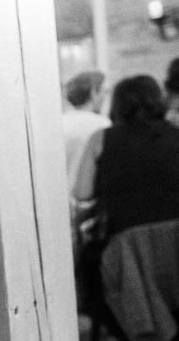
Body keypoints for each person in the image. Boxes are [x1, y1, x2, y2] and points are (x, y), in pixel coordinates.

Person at [73, 74, 179, 242]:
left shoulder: (100, 139)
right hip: (173, 243)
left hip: (122, 246)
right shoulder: (175, 134)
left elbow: (82, 195)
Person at [61, 70, 109, 187]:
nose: (105, 97)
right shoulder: (102, 125)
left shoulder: (60, 123)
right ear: (93, 93)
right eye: (104, 91)